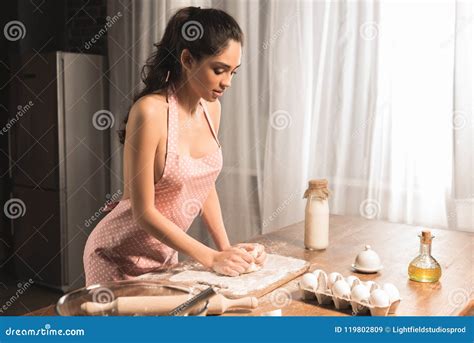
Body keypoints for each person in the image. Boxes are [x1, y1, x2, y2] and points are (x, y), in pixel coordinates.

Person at [83, 6, 266, 286]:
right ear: (187, 59)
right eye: (219, 70)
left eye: (234, 72)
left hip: (163, 256)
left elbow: (203, 185)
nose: (227, 82)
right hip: (115, 257)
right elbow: (143, 213)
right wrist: (210, 258)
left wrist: (225, 249)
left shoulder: (211, 109)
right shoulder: (149, 113)